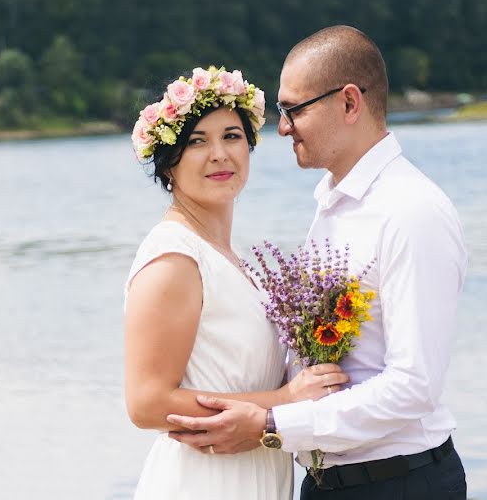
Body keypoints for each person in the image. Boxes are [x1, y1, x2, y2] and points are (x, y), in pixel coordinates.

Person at [166, 27, 469, 499]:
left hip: (398, 483)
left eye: (295, 110)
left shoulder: (411, 211)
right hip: (328, 483)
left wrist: (271, 423)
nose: (283, 127)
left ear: (350, 103)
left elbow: (414, 387)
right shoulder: (335, 204)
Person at [124, 67, 349, 499]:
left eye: (231, 136)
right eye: (196, 141)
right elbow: (146, 403)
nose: (219, 154)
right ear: (168, 162)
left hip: (255, 473)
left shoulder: (230, 257)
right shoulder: (173, 257)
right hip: (204, 481)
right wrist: (283, 402)